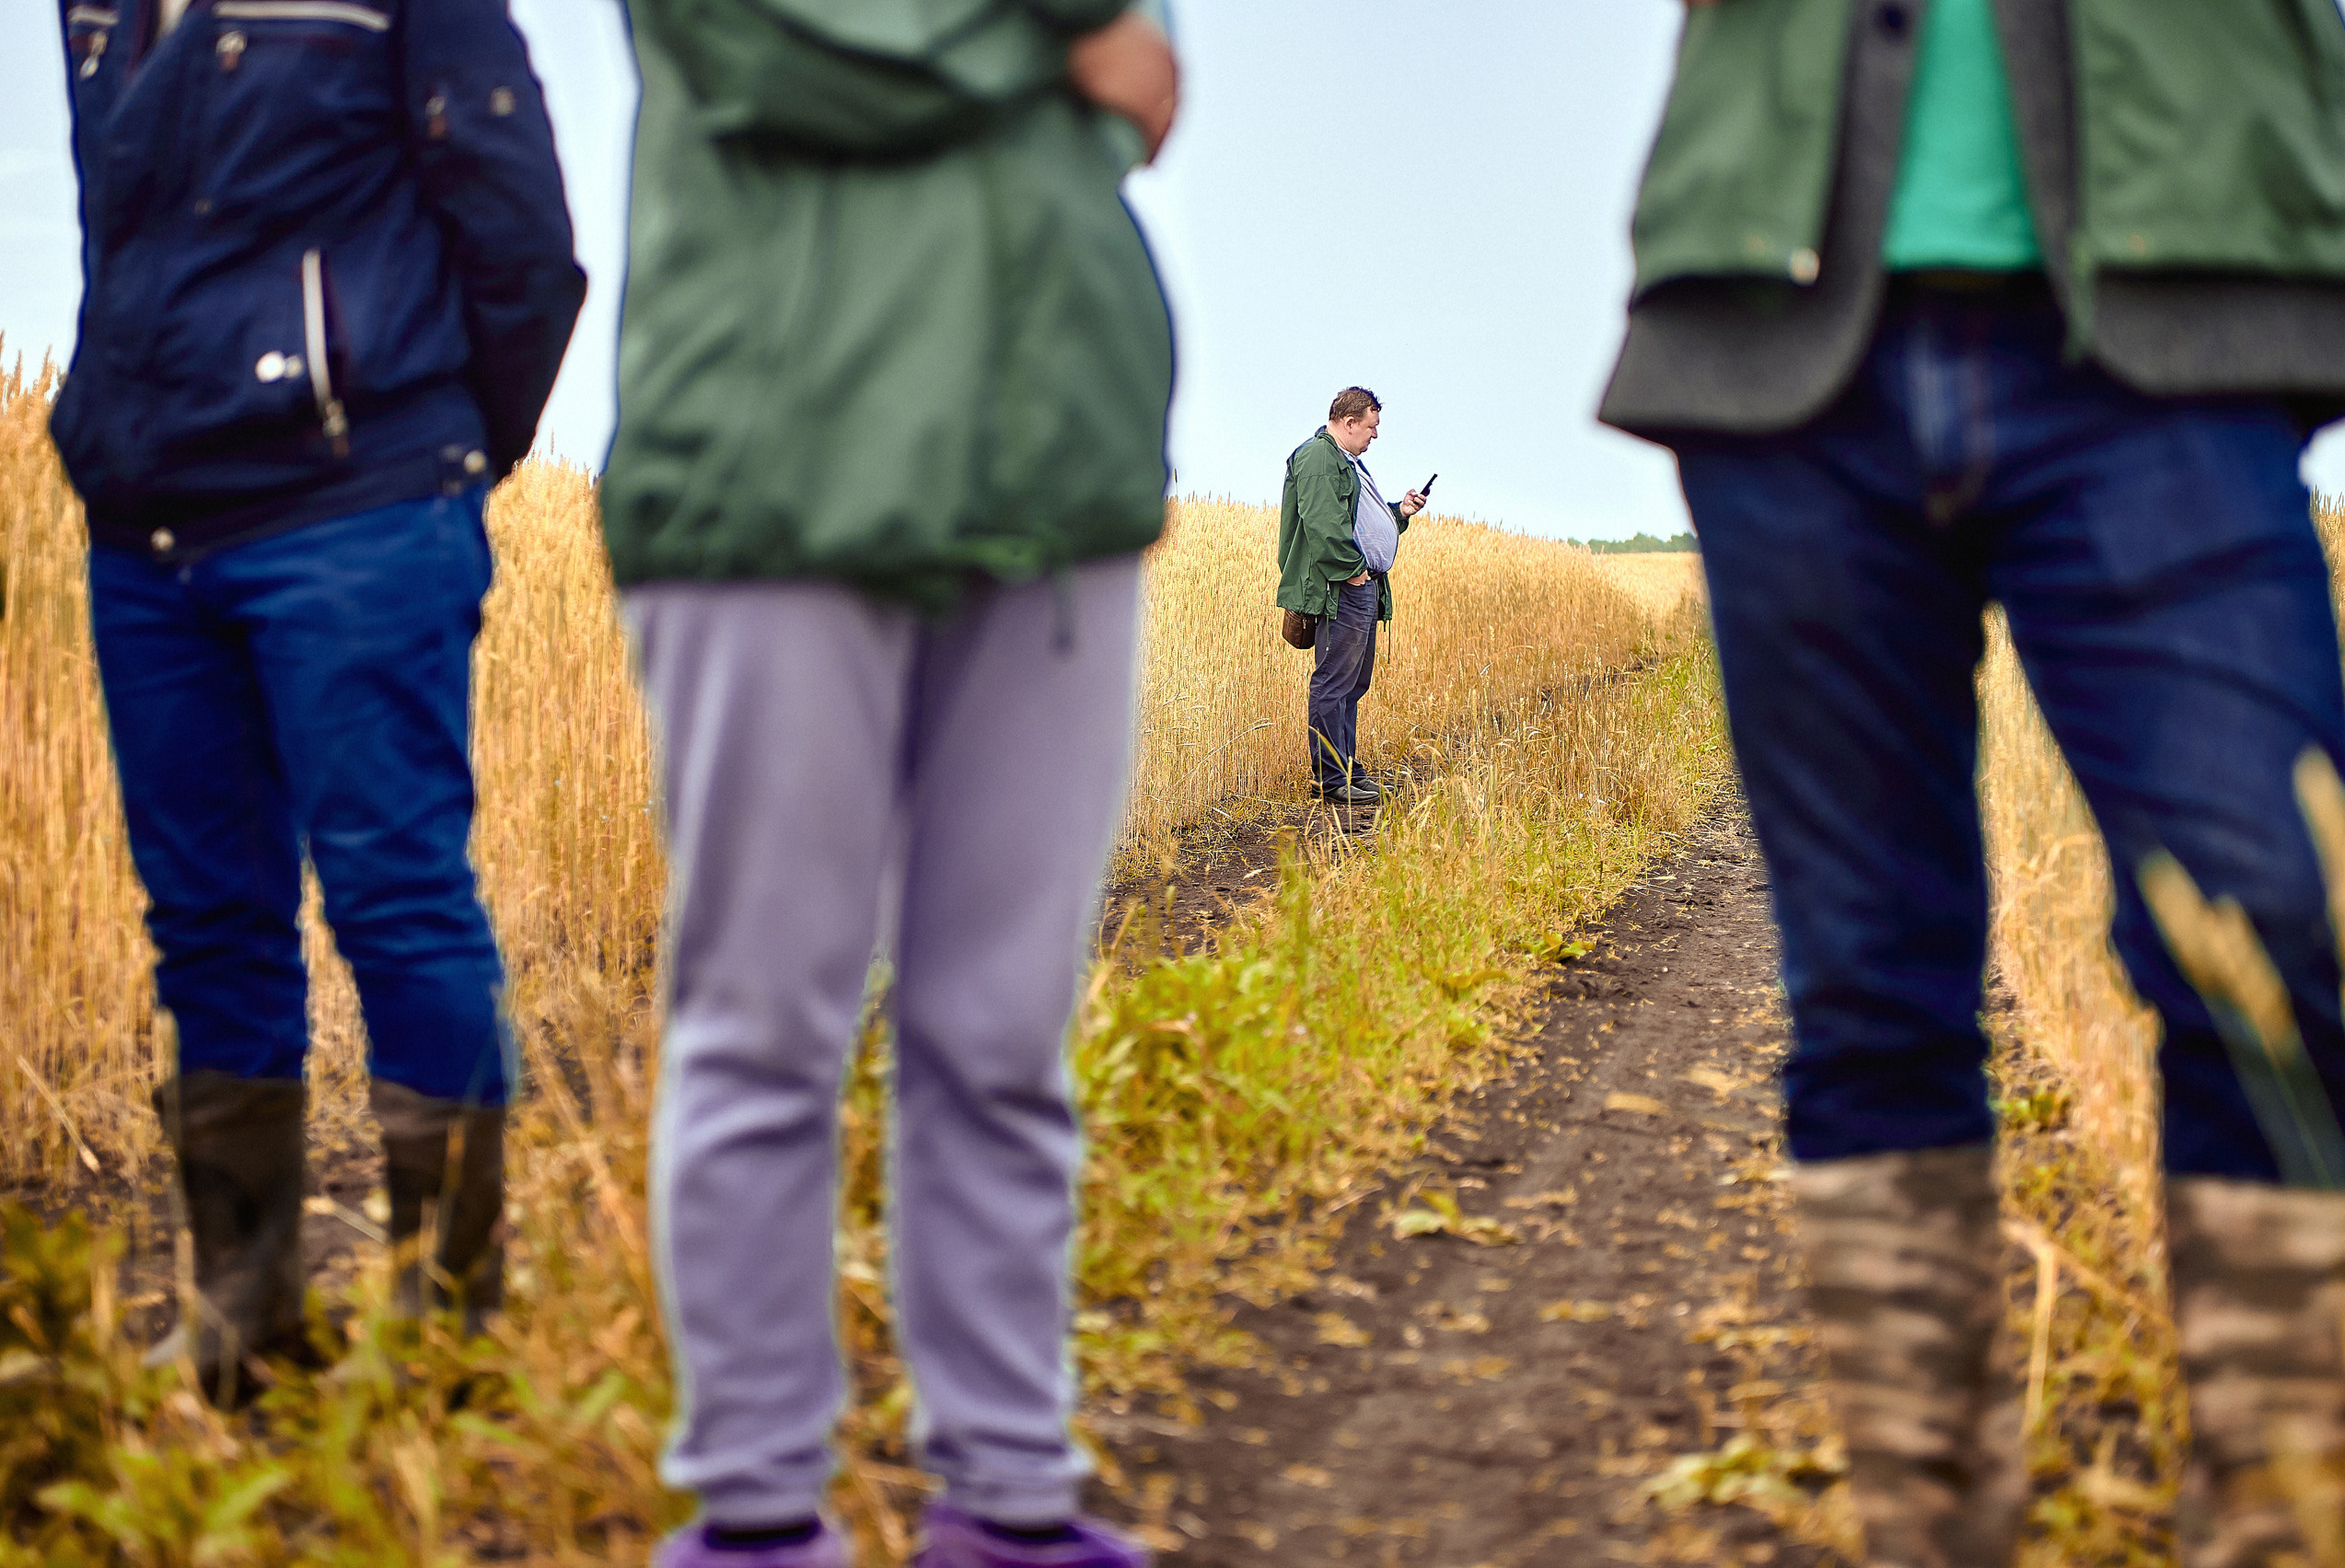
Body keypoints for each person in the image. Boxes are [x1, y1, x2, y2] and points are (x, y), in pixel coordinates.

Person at [1602, 0, 2345, 1561]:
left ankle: (2290, 1524)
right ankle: (1933, 1531)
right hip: (1788, 305)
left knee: (2274, 925)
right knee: (1869, 984)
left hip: (2179, 293)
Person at [601, 3, 1178, 1564]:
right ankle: (757, 1512)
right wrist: (1064, 33)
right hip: (767, 480)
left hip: (1050, 471)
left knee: (1002, 1028)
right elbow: (805, 46)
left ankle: (1006, 1498)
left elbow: (1150, 85)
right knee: (765, 1017)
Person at [50, 0, 584, 1398]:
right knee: (208, 921)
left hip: (358, 507)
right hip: (150, 529)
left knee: (396, 894)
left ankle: (445, 1327)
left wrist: (435, 448)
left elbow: (526, 236)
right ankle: (245, 1308)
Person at [1275, 388, 1429, 807]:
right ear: (1348, 423)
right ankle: (1331, 780)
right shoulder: (1319, 458)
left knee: (1352, 684)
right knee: (1333, 682)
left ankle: (1347, 770)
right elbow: (1325, 526)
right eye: (1371, 426)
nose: (1375, 436)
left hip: (1360, 586)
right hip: (1342, 588)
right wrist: (1354, 571)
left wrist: (1400, 512)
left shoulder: (1347, 462)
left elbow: (1360, 523)